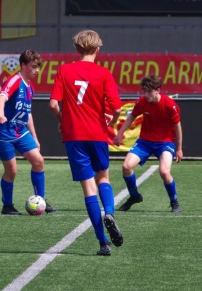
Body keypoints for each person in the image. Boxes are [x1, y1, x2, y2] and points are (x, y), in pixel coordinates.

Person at [49, 30, 123, 256]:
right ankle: (109, 212)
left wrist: (63, 120)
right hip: (97, 134)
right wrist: (113, 118)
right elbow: (117, 108)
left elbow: (53, 104)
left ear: (77, 49)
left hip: (74, 136)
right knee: (103, 178)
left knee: (88, 189)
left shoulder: (64, 70)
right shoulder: (103, 73)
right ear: (98, 49)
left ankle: (103, 243)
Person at [0, 50, 56, 216]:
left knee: (38, 161)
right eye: (33, 67)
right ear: (24, 65)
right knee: (12, 171)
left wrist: (34, 136)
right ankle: (7, 206)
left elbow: (28, 114)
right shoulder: (14, 81)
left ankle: (40, 199)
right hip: (3, 132)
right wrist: (0, 113)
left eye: (38, 67)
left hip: (20, 131)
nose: (36, 70)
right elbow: (1, 97)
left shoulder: (30, 88)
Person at [113, 74, 183, 213]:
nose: (145, 94)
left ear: (158, 90)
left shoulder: (169, 105)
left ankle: (174, 201)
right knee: (126, 166)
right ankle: (134, 196)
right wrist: (119, 134)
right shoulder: (142, 102)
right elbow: (131, 117)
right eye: (144, 91)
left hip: (165, 143)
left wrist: (179, 149)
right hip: (145, 141)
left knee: (164, 171)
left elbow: (177, 126)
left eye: (149, 91)